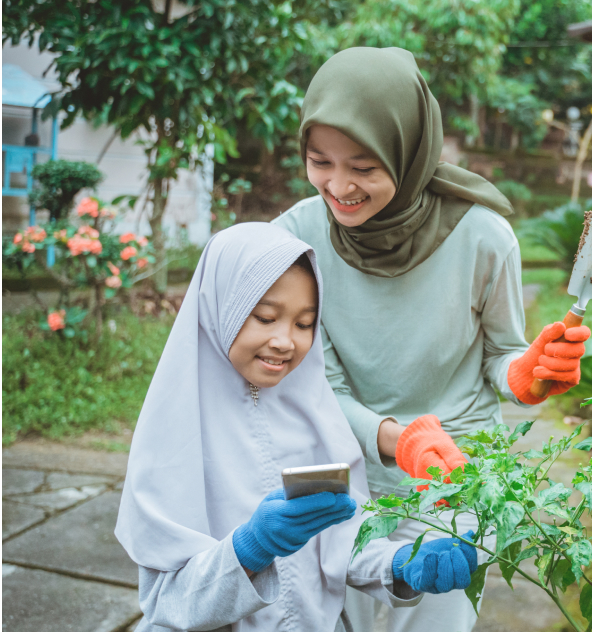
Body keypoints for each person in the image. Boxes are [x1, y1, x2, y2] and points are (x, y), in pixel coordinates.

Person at [274, 47, 592, 631]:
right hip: (340, 468)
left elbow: (501, 353)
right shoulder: (293, 239)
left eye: (365, 168)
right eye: (319, 161)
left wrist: (525, 374)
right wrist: (396, 440)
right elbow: (308, 384)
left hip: (452, 478)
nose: (338, 186)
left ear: (411, 150)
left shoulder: (483, 238)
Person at [115, 223, 477, 631]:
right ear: (218, 306)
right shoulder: (174, 436)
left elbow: (342, 541)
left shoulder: (315, 413)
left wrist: (401, 563)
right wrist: (249, 549)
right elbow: (167, 602)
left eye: (305, 324)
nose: (285, 340)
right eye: (266, 317)